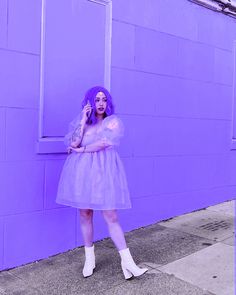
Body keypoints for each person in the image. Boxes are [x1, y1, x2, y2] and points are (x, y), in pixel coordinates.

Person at [56, 86, 148, 279]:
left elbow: (104, 143)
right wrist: (82, 120)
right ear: (90, 102)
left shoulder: (113, 122)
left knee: (111, 215)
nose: (100, 103)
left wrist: (82, 150)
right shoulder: (84, 123)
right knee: (85, 213)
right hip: (83, 173)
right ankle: (90, 259)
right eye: (96, 99)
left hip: (104, 173)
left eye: (103, 99)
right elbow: (73, 143)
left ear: (108, 103)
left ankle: (128, 262)